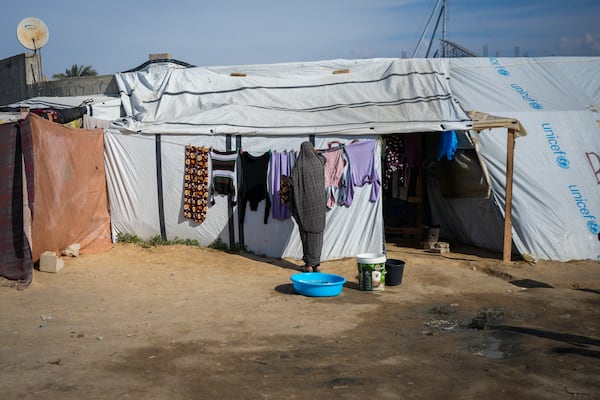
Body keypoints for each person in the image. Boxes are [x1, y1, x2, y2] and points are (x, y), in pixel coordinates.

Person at [289, 141, 327, 272]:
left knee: (306, 235)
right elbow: (324, 159)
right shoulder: (319, 163)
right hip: (319, 207)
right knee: (318, 236)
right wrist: (317, 152)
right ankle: (317, 264)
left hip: (305, 207)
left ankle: (309, 265)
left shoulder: (299, 166)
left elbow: (292, 182)